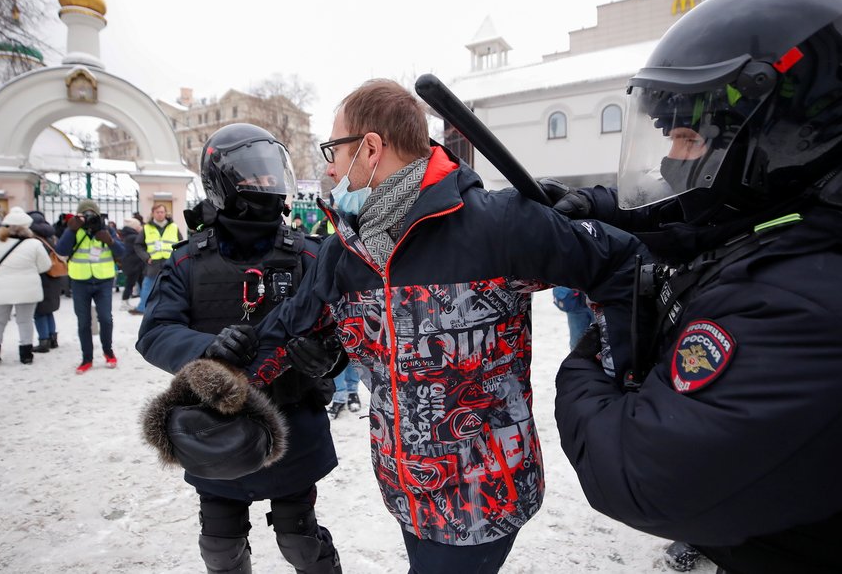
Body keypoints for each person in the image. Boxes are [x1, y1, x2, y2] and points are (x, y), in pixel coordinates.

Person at [546, 0, 842, 573]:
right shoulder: (814, 217)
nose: (670, 158)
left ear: (774, 137)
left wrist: (591, 358)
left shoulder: (812, 305)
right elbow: (709, 221)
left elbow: (638, 473)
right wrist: (601, 206)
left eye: (686, 137)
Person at [240, 80, 645, 574]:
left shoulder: (498, 225)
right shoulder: (343, 250)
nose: (327, 166)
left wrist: (609, 374)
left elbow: (626, 265)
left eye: (334, 148)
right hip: (405, 489)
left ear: (370, 148)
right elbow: (284, 332)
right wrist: (218, 381)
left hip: (486, 497)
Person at [137, 123, 343, 574]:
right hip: (215, 428)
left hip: (293, 424)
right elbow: (154, 332)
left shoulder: (309, 254)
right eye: (256, 177)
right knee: (220, 547)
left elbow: (343, 326)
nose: (268, 186)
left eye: (273, 176)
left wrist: (329, 357)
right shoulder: (189, 259)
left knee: (300, 540)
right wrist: (206, 346)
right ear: (224, 183)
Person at [0, 207, 52, 366]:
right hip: (27, 289)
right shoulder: (34, 244)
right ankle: (26, 354)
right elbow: (45, 266)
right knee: (25, 321)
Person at [55, 198, 125, 374]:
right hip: (80, 280)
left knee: (106, 319)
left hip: (103, 280)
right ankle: (87, 358)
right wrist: (71, 229)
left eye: (91, 213)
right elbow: (61, 251)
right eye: (84, 214)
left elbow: (123, 252)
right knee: (83, 321)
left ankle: (108, 352)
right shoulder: (73, 230)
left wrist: (111, 241)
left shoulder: (106, 228)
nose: (88, 217)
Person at [131, 203, 182, 315]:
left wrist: (177, 258)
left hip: (170, 262)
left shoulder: (173, 227)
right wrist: (146, 257)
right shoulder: (146, 228)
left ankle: (171, 309)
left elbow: (181, 244)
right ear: (153, 213)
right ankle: (143, 308)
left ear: (165, 213)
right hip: (153, 262)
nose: (160, 214)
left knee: (172, 286)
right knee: (148, 286)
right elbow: (138, 245)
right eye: (157, 212)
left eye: (162, 212)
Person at [28, 210, 64, 353]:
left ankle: (44, 340)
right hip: (54, 277)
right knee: (48, 311)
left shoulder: (34, 240)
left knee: (39, 311)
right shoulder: (51, 236)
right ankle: (52, 337)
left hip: (41, 278)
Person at [119, 217, 144, 311]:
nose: (140, 227)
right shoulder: (134, 237)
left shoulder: (129, 236)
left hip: (132, 264)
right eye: (138, 225)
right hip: (134, 264)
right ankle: (124, 301)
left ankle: (143, 301)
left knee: (136, 283)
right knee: (130, 284)